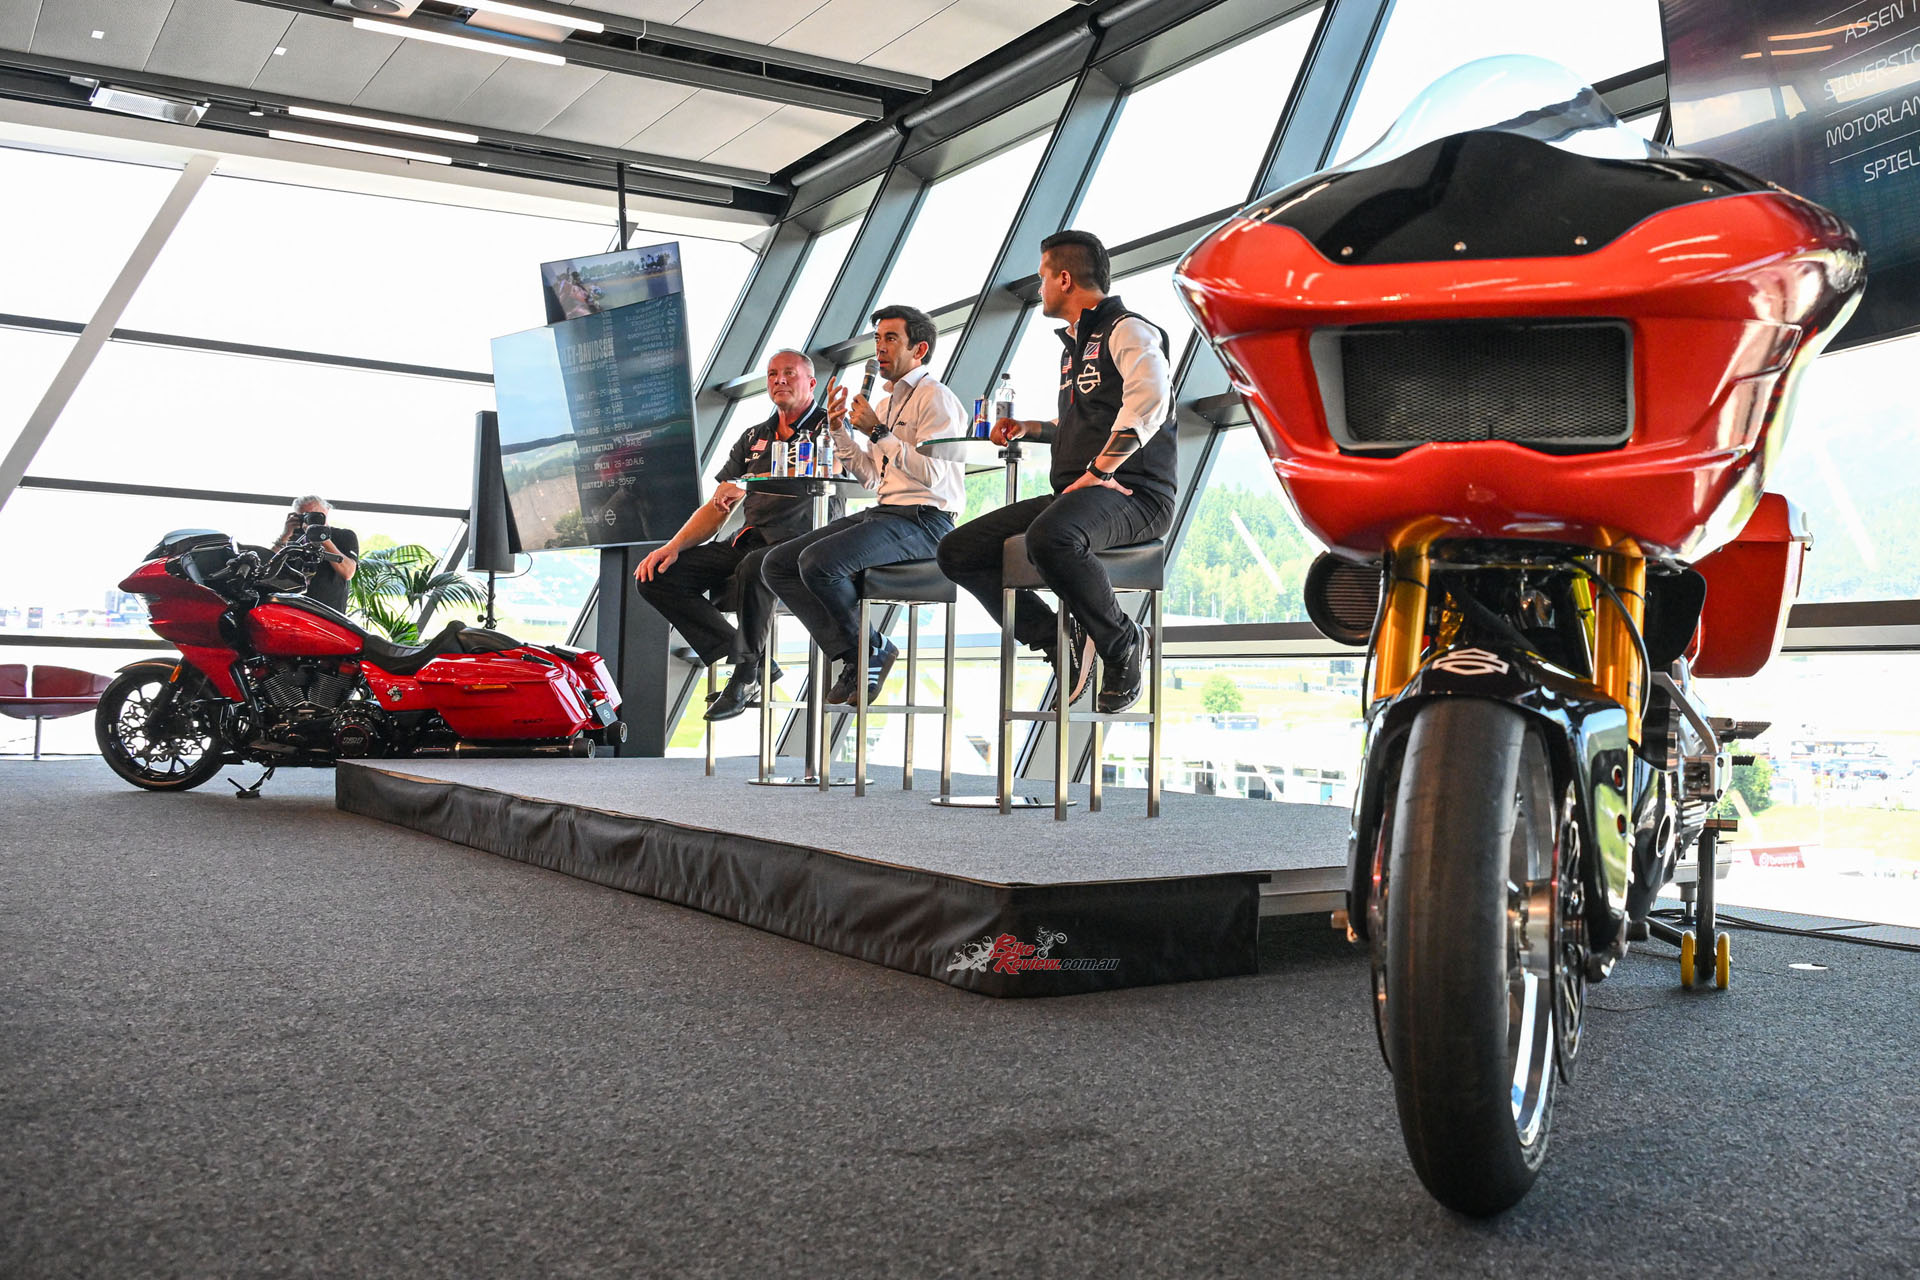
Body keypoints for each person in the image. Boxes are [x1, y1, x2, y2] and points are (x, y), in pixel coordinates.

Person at [935, 230, 1177, 714]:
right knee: (958, 551)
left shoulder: (1129, 329)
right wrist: (1033, 428)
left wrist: (1100, 470)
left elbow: (1150, 403)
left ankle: (1123, 643)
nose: (1039, 287)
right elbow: (1084, 422)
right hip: (1081, 493)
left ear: (1064, 279)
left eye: (1043, 276)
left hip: (1135, 495)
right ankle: (1055, 637)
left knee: (1051, 537)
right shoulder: (1073, 346)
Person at [761, 305, 968, 706]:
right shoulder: (886, 405)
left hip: (927, 520)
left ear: (919, 349)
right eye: (877, 339)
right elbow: (871, 476)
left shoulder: (936, 398)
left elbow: (935, 475)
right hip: (887, 513)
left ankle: (867, 651)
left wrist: (877, 430)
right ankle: (860, 652)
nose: (880, 349)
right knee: (777, 565)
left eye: (891, 339)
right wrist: (839, 430)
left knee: (817, 562)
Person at [633, 349, 830, 722]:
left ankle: (745, 675)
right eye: (772, 374)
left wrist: (751, 482)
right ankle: (757, 661)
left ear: (811, 382)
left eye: (789, 373)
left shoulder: (831, 429)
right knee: (656, 576)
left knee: (757, 567)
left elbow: (851, 474)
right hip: (751, 539)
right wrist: (673, 546)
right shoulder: (753, 436)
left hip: (802, 543)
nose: (779, 380)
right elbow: (718, 506)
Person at [271, 495, 359, 615]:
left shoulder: (344, 536)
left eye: (315, 515)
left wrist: (322, 537)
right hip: (292, 611)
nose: (311, 520)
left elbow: (348, 572)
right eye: (305, 516)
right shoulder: (292, 539)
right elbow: (268, 565)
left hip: (328, 613)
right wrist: (284, 536)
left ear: (327, 511)